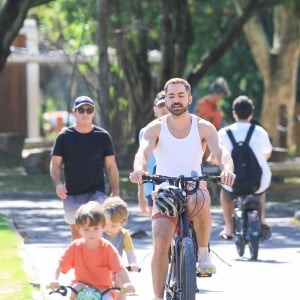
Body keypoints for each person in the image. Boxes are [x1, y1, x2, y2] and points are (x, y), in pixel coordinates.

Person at [129, 77, 235, 299]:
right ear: (165, 100)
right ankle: (158, 296)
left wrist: (227, 170)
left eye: (180, 95)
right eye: (171, 96)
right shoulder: (155, 128)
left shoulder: (203, 127)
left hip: (193, 187)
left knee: (201, 199)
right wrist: (139, 169)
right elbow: (143, 152)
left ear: (189, 98)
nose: (176, 100)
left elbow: (222, 151)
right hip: (165, 190)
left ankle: (203, 253)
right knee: (160, 241)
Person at [50, 96, 119, 240]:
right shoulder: (64, 136)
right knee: (77, 234)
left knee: (96, 230)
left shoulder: (103, 136)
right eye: (81, 110)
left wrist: (115, 193)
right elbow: (55, 163)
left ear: (94, 113)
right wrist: (57, 184)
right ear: (74, 112)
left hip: (97, 192)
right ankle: (80, 262)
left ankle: (97, 261)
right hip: (72, 193)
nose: (85, 113)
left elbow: (111, 165)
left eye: (89, 110)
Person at [49, 201, 135, 300]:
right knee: (75, 289)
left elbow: (120, 268)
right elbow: (60, 264)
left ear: (102, 227)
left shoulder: (107, 248)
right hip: (81, 288)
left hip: (103, 289)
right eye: (86, 230)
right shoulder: (75, 247)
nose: (91, 233)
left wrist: (128, 283)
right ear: (79, 229)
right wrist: (54, 279)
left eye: (96, 228)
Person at [217, 95, 272, 240]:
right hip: (257, 181)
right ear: (251, 114)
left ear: (234, 114)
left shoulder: (223, 133)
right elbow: (267, 153)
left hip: (232, 182)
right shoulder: (260, 131)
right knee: (260, 192)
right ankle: (261, 221)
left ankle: (229, 228)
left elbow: (216, 156)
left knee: (226, 193)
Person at [137, 90, 169, 214]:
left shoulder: (181, 130)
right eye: (160, 105)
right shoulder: (145, 132)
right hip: (151, 186)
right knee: (158, 226)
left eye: (166, 104)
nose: (164, 108)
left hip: (176, 183)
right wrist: (140, 195)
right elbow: (141, 162)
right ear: (155, 110)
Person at [103, 196, 140, 300]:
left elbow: (130, 251)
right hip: (99, 267)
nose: (108, 228)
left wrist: (133, 263)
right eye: (106, 224)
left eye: (113, 226)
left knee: (122, 283)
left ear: (122, 222)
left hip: (116, 268)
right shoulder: (99, 232)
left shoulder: (124, 235)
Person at [194, 77, 231, 164]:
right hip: (202, 150)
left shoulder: (217, 106)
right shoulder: (202, 104)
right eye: (221, 95)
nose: (222, 98)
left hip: (213, 150)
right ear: (215, 93)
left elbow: (220, 124)